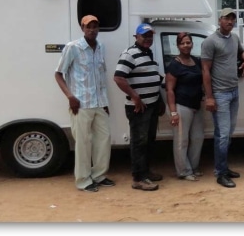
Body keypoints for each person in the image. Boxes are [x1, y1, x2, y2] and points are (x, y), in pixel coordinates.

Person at [54, 15, 113, 193]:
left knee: (104, 140)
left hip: (99, 103)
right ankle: (83, 181)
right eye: (88, 27)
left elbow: (101, 76)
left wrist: (105, 101)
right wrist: (70, 97)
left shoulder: (100, 47)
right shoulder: (73, 47)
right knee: (83, 143)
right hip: (81, 104)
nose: (92, 30)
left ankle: (99, 175)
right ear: (82, 28)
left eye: (95, 26)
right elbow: (58, 74)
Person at [201, 7, 244, 188]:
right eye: (226, 18)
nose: (230, 22)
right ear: (219, 20)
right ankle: (220, 173)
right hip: (220, 94)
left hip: (234, 92)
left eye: (232, 19)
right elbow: (205, 70)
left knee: (227, 135)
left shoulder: (234, 38)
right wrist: (209, 97)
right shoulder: (210, 41)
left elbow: (242, 52)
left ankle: (224, 167)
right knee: (222, 136)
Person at [114, 23, 165, 191]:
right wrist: (135, 96)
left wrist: (160, 99)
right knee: (139, 142)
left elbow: (153, 77)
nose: (148, 39)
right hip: (138, 108)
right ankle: (138, 178)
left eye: (150, 36)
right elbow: (119, 78)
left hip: (151, 105)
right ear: (136, 37)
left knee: (149, 141)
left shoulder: (148, 53)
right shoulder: (129, 54)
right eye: (145, 36)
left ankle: (146, 172)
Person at [165, 32, 204, 181]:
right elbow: (169, 90)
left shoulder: (196, 60)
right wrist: (173, 112)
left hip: (196, 106)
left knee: (198, 138)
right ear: (178, 45)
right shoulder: (174, 64)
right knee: (182, 140)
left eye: (188, 42)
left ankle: (193, 167)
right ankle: (184, 171)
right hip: (182, 106)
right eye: (182, 43)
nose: (186, 45)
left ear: (192, 44)